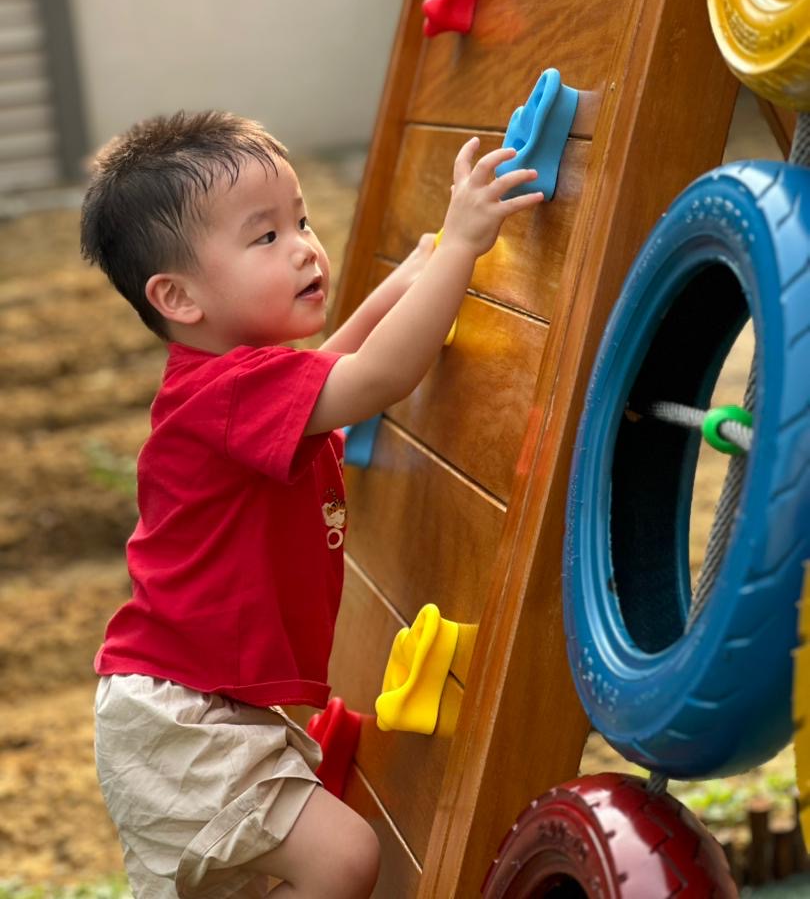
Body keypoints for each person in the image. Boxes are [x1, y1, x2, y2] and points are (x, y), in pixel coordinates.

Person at [81, 110, 542, 898]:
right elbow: (373, 379)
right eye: (264, 238)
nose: (302, 246)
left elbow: (337, 364)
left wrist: (403, 285)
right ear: (178, 297)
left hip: (203, 707)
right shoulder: (226, 391)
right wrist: (460, 248)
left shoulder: (238, 386)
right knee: (343, 858)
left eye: (300, 219)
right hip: (183, 716)